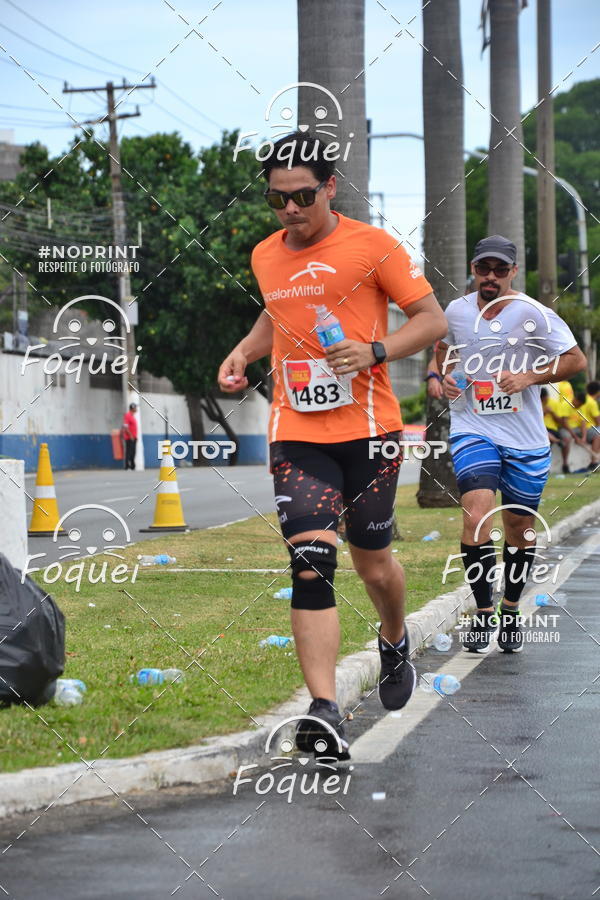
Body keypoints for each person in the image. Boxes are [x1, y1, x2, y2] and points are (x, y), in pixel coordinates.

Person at [217, 132, 447, 759]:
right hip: (297, 431)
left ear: (330, 188)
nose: (290, 209)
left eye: (302, 196)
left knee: (374, 562)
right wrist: (244, 351)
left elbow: (432, 320)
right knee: (311, 562)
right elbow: (278, 313)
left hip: (371, 432)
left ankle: (393, 635)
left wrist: (375, 350)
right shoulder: (265, 254)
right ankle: (323, 710)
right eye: (277, 199)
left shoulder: (374, 246)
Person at [437, 235, 586, 654]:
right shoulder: (456, 311)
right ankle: (484, 612)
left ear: (513, 272)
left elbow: (575, 360)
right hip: (473, 428)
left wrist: (529, 377)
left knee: (519, 528)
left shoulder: (535, 314)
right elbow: (444, 350)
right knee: (476, 516)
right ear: (473, 269)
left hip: (526, 439)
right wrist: (444, 376)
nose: (491, 276)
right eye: (484, 268)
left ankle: (510, 608)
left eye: (500, 270)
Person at [571, 381, 600, 471]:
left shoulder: (584, 399)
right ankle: (594, 462)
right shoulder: (592, 403)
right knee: (598, 435)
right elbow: (598, 421)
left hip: (582, 427)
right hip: (587, 428)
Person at [122, 402, 138, 470]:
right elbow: (125, 427)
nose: (136, 409)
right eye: (135, 407)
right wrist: (131, 435)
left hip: (133, 437)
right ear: (132, 408)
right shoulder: (127, 415)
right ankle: (127, 465)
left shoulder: (132, 416)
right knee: (129, 452)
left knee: (133, 452)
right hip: (129, 438)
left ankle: (132, 465)